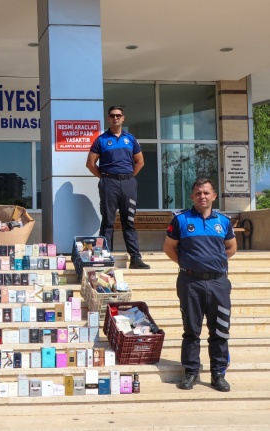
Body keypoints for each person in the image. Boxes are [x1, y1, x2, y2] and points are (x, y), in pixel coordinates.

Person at [163, 178, 236, 392]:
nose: (202, 196)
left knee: (220, 330)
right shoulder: (181, 220)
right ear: (192, 196)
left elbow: (231, 247)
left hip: (218, 283)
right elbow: (169, 248)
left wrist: (214, 264)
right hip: (190, 282)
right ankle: (191, 371)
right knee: (191, 330)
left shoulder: (223, 221)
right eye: (197, 193)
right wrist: (188, 265)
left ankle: (218, 373)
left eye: (206, 193)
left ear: (214, 196)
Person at [86, 106, 150, 269]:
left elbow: (140, 162)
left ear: (123, 118)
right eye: (112, 115)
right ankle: (103, 257)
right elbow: (90, 163)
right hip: (109, 183)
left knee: (128, 221)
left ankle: (135, 258)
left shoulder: (131, 139)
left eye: (118, 115)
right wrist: (105, 177)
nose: (116, 118)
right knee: (107, 221)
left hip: (128, 183)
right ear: (108, 118)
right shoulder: (101, 140)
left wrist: (128, 177)